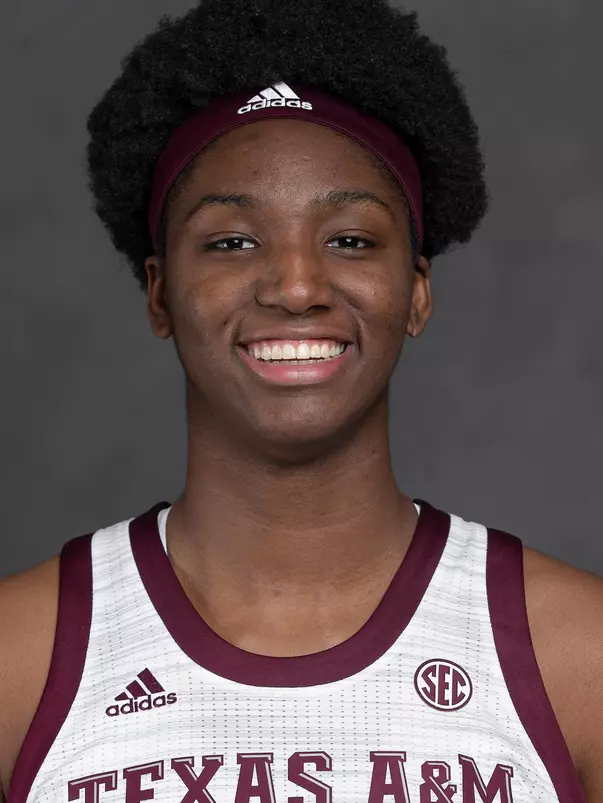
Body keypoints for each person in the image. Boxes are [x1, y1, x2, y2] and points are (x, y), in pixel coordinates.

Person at [1, 0, 601, 800]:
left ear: (416, 291)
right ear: (158, 294)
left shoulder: (576, 656)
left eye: (349, 239)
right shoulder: (19, 658)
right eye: (231, 241)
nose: (294, 286)